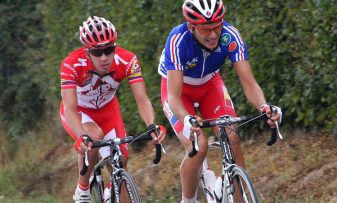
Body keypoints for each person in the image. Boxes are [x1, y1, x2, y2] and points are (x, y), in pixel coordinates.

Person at [158, 0, 282, 202]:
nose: (214, 34)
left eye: (217, 26)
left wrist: (264, 106)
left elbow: (249, 83)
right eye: (206, 30)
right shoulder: (177, 40)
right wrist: (187, 118)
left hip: (210, 85)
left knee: (231, 134)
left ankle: (231, 191)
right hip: (180, 91)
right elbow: (173, 96)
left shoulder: (230, 35)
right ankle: (188, 199)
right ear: (191, 27)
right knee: (199, 147)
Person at [60, 16, 166, 203]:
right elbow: (69, 109)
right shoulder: (71, 65)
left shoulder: (127, 60)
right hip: (79, 112)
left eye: (109, 50)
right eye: (97, 52)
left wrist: (151, 125)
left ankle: (112, 191)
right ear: (87, 52)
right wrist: (80, 136)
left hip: (108, 111)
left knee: (121, 160)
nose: (104, 58)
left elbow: (142, 99)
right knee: (92, 137)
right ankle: (83, 190)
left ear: (115, 48)